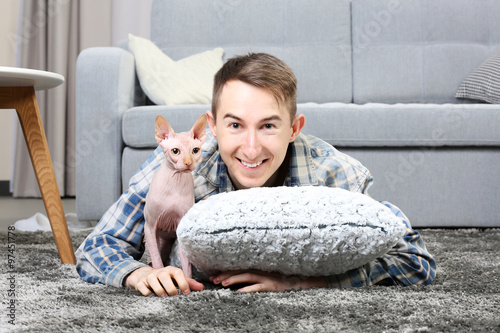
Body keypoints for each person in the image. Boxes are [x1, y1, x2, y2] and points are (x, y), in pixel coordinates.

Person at [75, 53, 436, 297]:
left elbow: (414, 261)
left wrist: (307, 281)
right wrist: (139, 274)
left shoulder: (331, 173)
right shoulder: (178, 163)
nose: (250, 148)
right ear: (212, 128)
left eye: (267, 126)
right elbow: (97, 245)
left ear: (294, 128)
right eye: (235, 125)